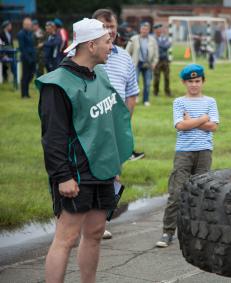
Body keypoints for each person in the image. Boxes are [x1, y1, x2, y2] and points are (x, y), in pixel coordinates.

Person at [36, 18, 133, 283]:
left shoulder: (99, 74)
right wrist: (62, 176)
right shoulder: (57, 84)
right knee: (66, 238)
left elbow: (108, 125)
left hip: (103, 168)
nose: (111, 47)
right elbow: (52, 138)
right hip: (75, 173)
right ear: (91, 45)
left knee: (95, 232)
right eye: (106, 42)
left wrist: (114, 165)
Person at [91, 9, 144, 239]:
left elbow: (132, 92)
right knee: (88, 175)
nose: (110, 31)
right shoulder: (86, 55)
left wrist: (124, 121)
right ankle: (82, 221)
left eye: (112, 26)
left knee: (114, 175)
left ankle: (101, 222)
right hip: (90, 127)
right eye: (104, 26)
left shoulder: (123, 57)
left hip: (115, 128)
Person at [156, 64, 219, 248]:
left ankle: (197, 232)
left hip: (204, 152)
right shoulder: (179, 102)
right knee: (176, 193)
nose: (194, 85)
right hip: (184, 152)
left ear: (203, 81)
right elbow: (180, 126)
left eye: (197, 81)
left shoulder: (210, 101)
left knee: (200, 192)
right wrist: (202, 119)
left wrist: (190, 120)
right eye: (190, 81)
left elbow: (214, 126)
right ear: (184, 82)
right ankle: (167, 232)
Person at [126, 22, 158, 106]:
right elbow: (127, 52)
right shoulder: (134, 39)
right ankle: (135, 97)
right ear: (140, 29)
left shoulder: (152, 40)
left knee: (147, 83)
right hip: (136, 64)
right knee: (135, 81)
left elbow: (156, 54)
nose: (144, 30)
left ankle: (146, 100)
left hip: (148, 64)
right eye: (143, 29)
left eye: (146, 29)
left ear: (149, 30)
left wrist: (154, 63)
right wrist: (129, 63)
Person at [17, 17, 36, 98]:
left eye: (30, 24)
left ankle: (27, 93)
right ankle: (23, 94)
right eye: (28, 24)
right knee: (25, 76)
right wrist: (28, 58)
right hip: (26, 58)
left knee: (31, 75)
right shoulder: (21, 34)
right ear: (24, 25)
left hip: (33, 57)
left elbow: (33, 45)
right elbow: (22, 48)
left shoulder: (31, 33)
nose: (29, 26)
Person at [153, 23, 172, 97]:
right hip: (157, 60)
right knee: (156, 78)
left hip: (165, 60)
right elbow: (164, 46)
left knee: (167, 77)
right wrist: (163, 45)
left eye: (160, 29)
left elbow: (168, 45)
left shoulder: (164, 37)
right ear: (155, 30)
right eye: (157, 29)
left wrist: (159, 45)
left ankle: (167, 92)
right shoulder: (152, 38)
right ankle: (156, 92)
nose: (159, 31)